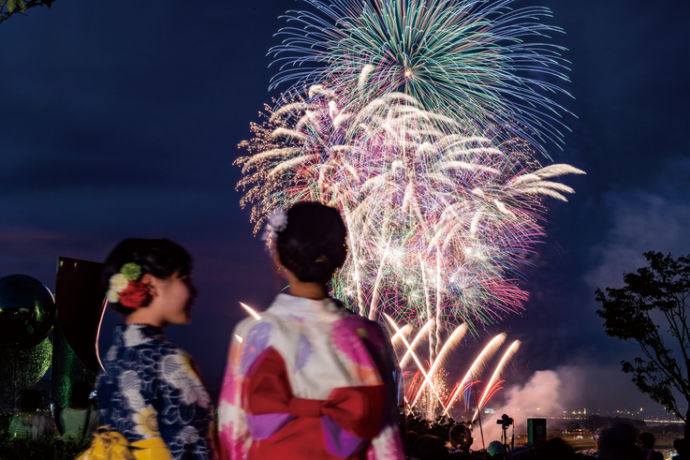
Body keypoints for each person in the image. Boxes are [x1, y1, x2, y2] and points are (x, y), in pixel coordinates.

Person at [218, 202, 405, 459]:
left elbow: (232, 432)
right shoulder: (369, 335)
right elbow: (386, 438)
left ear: (278, 256)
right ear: (341, 257)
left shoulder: (252, 333)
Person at [95, 238, 213, 459]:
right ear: (149, 283)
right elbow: (189, 448)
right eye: (184, 278)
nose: (193, 291)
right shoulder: (168, 361)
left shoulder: (112, 359)